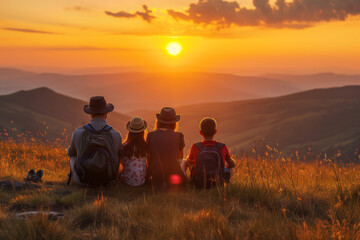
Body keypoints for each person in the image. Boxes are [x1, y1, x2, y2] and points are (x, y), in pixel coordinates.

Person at [67, 96, 122, 186]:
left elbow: (71, 152)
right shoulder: (115, 134)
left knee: (73, 157)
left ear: (91, 114)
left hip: (83, 180)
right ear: (106, 113)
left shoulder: (78, 132)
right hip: (108, 181)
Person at [181, 117, 236, 189]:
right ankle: (224, 182)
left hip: (199, 183)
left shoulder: (195, 147)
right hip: (217, 183)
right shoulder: (222, 147)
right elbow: (232, 164)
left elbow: (189, 161)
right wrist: (225, 164)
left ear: (200, 132)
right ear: (215, 132)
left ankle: (187, 182)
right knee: (229, 165)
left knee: (185, 161)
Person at [146, 107, 186, 190]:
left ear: (159, 121)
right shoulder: (179, 136)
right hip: (174, 177)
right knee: (185, 161)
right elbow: (180, 158)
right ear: (174, 123)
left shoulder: (150, 135)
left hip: (156, 178)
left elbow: (149, 158)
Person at [121, 117, 148, 187]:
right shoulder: (146, 147)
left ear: (129, 132)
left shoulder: (123, 147)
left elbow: (121, 162)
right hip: (141, 181)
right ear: (143, 132)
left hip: (126, 181)